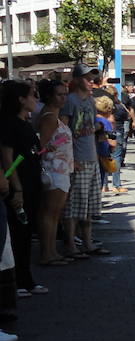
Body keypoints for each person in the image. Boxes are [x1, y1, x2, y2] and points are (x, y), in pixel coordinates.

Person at [0, 80, 46, 299]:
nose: (35, 99)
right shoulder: (9, 124)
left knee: (26, 234)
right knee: (18, 235)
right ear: (20, 99)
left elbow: (27, 153)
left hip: (32, 183)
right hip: (19, 187)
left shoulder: (24, 123)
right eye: (32, 95)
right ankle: (16, 282)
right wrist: (16, 189)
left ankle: (27, 280)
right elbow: (9, 160)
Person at [60, 65, 108, 258]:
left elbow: (87, 127)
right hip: (78, 159)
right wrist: (70, 158)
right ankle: (71, 245)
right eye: (88, 77)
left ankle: (88, 242)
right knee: (73, 205)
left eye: (93, 78)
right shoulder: (70, 101)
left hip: (91, 158)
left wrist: (98, 127)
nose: (91, 81)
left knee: (88, 205)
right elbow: (63, 130)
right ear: (78, 79)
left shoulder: (89, 100)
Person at [35, 78, 73, 266]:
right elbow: (39, 146)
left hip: (61, 169)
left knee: (55, 213)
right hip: (53, 170)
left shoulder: (54, 116)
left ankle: (52, 251)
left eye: (65, 94)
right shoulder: (49, 117)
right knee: (50, 213)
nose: (63, 98)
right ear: (50, 96)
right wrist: (47, 149)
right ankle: (47, 253)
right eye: (60, 94)